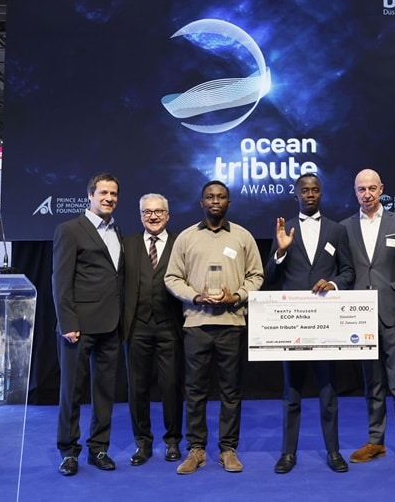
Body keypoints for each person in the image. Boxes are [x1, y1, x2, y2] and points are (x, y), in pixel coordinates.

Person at [164, 181, 264, 475]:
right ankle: (196, 449)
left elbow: (256, 276)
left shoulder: (243, 236)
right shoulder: (186, 237)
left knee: (230, 390)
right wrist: (195, 296)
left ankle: (228, 449)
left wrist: (238, 296)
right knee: (195, 390)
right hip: (197, 324)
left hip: (232, 324)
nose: (215, 201)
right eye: (210, 197)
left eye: (221, 197)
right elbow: (172, 278)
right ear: (202, 203)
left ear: (229, 203)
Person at [264, 173, 355, 474]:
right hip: (292, 324)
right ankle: (287, 453)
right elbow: (270, 277)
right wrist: (280, 251)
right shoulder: (285, 229)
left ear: (321, 194)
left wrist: (333, 283)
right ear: (296, 195)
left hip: (326, 324)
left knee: (328, 392)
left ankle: (333, 451)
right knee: (291, 392)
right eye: (305, 190)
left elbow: (349, 272)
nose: (310, 194)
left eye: (315, 190)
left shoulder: (337, 230)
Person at [340, 169, 395, 471]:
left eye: (372, 188)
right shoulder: (344, 227)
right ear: (355, 192)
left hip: (394, 315)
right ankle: (375, 441)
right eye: (361, 189)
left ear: (381, 189)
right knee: (372, 384)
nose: (367, 194)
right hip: (360, 318)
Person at [53, 173, 124, 476]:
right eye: (103, 193)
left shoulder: (117, 230)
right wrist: (67, 322)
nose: (109, 198)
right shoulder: (70, 229)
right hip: (78, 327)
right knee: (72, 392)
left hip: (111, 326)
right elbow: (60, 280)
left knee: (105, 392)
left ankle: (99, 449)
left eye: (114, 194)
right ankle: (68, 452)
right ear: (90, 196)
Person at [123, 193, 184, 466]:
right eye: (147, 212)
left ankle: (173, 441)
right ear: (140, 216)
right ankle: (142, 443)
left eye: (159, 211)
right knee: (137, 388)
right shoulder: (127, 244)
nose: (153, 216)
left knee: (171, 386)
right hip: (136, 327)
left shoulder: (181, 243)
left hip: (171, 326)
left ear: (168, 216)